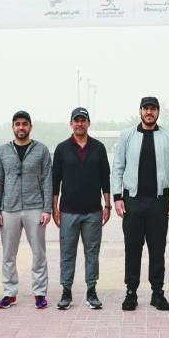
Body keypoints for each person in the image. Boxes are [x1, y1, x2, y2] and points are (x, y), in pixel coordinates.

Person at [113, 96, 169, 311]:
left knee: (157, 249)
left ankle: (157, 293)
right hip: (132, 200)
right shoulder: (127, 136)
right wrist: (117, 197)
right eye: (146, 109)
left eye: (153, 109)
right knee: (132, 248)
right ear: (140, 111)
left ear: (158, 112)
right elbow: (118, 167)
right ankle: (131, 292)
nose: (149, 112)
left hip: (158, 201)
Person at [0, 110, 53, 309]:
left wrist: (47, 209)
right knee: (8, 254)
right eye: (17, 124)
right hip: (9, 208)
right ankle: (10, 293)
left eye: (25, 124)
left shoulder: (41, 150)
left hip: (35, 207)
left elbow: (47, 180)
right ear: (13, 127)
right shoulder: (2, 151)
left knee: (39, 253)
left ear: (30, 127)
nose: (21, 127)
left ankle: (40, 292)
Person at [51, 107, 111, 310]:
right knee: (67, 253)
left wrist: (108, 205)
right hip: (68, 211)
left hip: (93, 211)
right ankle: (66, 292)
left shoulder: (99, 148)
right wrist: (54, 208)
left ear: (88, 123)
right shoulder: (62, 148)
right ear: (71, 124)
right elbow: (55, 181)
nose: (79, 124)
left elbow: (105, 179)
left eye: (83, 120)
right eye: (76, 120)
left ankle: (91, 291)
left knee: (92, 252)